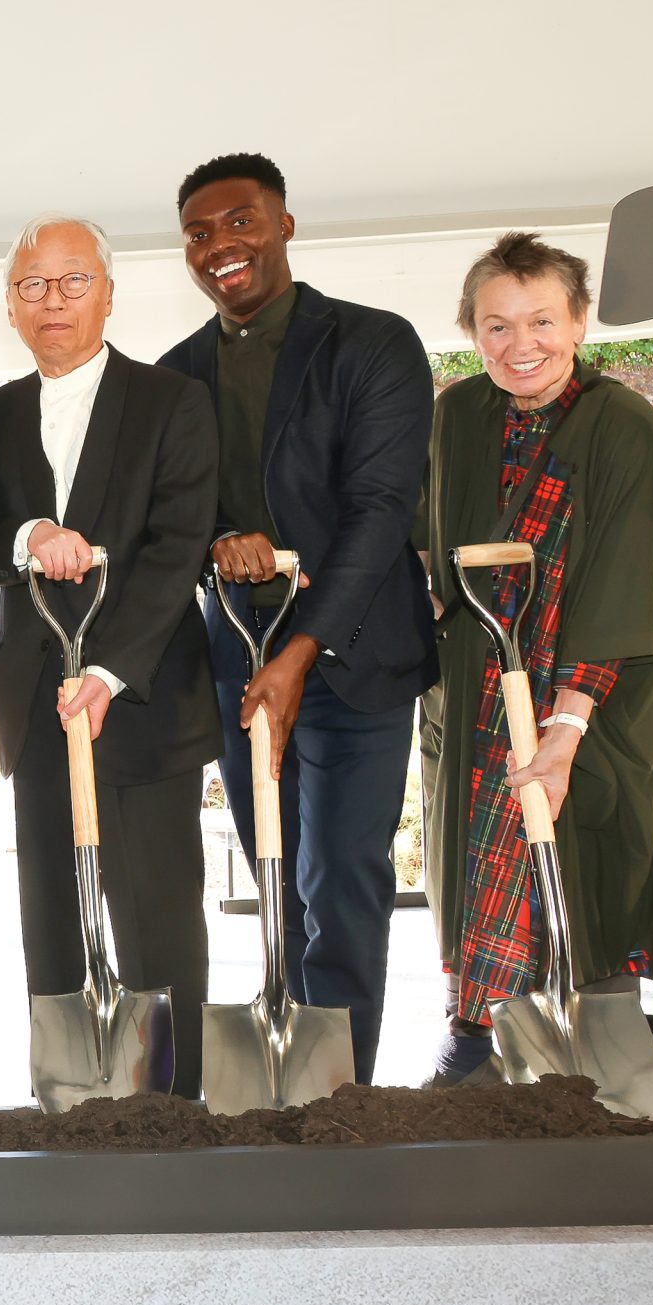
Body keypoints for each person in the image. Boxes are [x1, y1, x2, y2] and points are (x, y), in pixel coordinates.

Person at [414, 231, 653, 1074]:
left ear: (580, 322)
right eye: (497, 327)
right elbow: (429, 550)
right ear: (472, 333)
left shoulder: (623, 425)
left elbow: (629, 583)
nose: (523, 346)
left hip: (594, 698)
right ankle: (477, 1042)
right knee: (477, 872)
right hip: (481, 690)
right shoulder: (455, 416)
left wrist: (566, 727)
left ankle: (593, 1050)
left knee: (594, 871)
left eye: (542, 321)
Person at [158, 153, 435, 1085]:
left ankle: (338, 1092)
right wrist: (215, 545)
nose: (219, 246)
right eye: (199, 234)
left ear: (282, 224)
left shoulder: (370, 343)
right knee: (275, 870)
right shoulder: (177, 376)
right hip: (241, 651)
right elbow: (169, 516)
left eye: (240, 221)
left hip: (357, 656)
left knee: (342, 878)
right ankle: (283, 1068)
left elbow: (382, 507)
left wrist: (304, 647)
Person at [0, 217, 221, 1096]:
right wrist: (31, 534)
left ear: (110, 293)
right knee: (52, 911)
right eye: (33, 286)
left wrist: (109, 670)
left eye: (73, 282)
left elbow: (180, 544)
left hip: (143, 699)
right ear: (9, 307)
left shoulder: (171, 402)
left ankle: (169, 1102)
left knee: (157, 915)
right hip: (35, 699)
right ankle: (70, 1097)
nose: (54, 302)